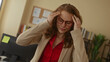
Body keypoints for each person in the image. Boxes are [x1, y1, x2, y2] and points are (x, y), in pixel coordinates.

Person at [16, 3, 89, 62]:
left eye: (68, 22)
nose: (63, 25)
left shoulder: (75, 42)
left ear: (73, 23)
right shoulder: (46, 33)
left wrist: (77, 32)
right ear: (55, 18)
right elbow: (20, 41)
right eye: (60, 20)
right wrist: (46, 23)